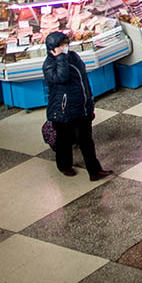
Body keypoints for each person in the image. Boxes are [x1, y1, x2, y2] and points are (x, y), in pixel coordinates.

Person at [43, 32, 112, 181]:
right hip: (62, 111)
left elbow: (83, 79)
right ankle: (64, 166)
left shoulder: (73, 57)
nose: (65, 47)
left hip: (81, 107)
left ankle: (94, 171)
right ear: (53, 48)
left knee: (86, 141)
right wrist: (60, 57)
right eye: (61, 45)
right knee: (64, 141)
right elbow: (62, 77)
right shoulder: (49, 65)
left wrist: (89, 101)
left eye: (66, 43)